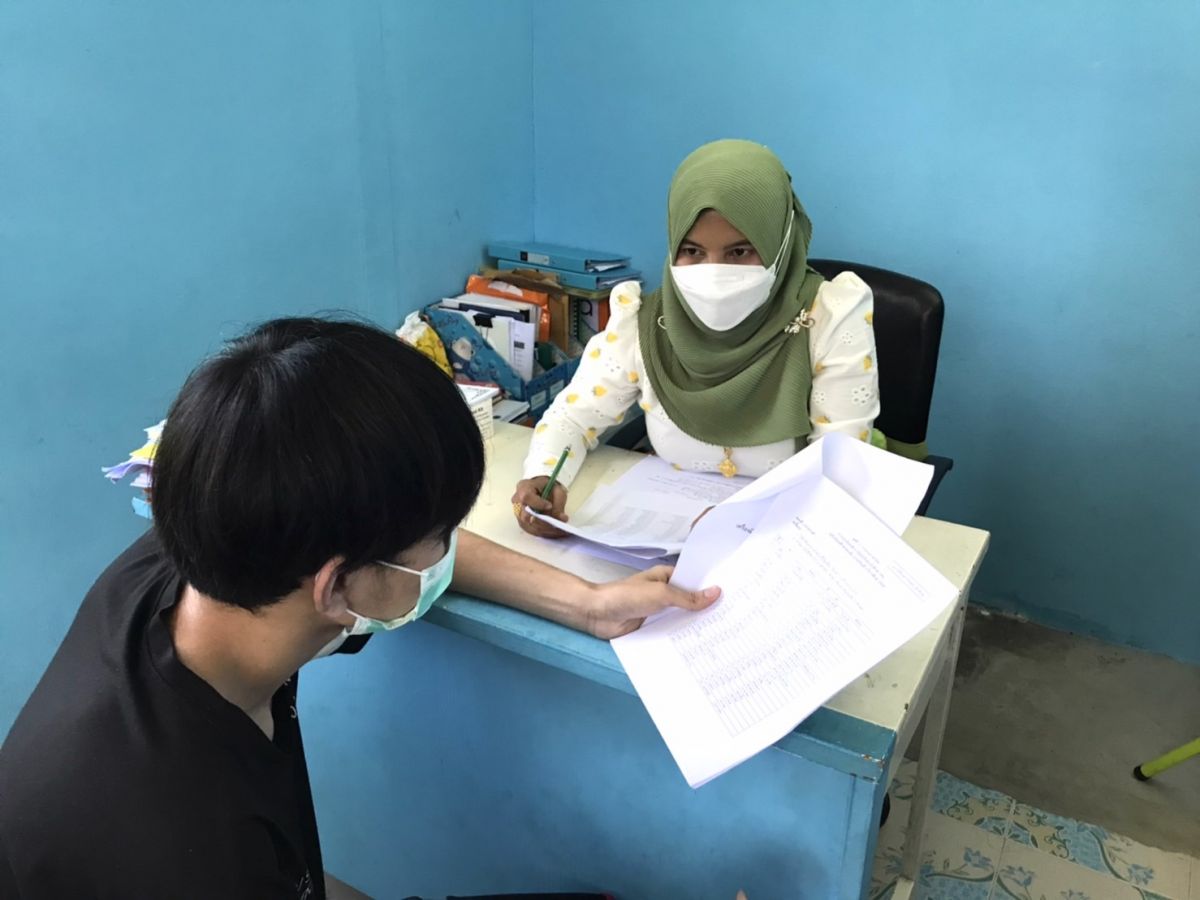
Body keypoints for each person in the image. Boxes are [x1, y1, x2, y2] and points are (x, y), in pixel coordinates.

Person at [0, 318, 723, 899]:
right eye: (438, 537)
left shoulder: (214, 549)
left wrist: (588, 602)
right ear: (338, 588)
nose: (448, 552)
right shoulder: (178, 840)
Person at [512, 139, 880, 537]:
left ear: (780, 243)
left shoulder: (828, 318)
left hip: (785, 536)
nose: (715, 272)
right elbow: (572, 418)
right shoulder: (642, 325)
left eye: (739, 252)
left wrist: (740, 525)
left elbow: (837, 474)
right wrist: (544, 476)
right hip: (666, 536)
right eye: (692, 251)